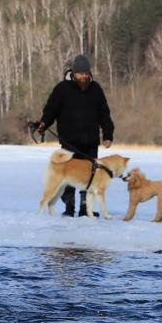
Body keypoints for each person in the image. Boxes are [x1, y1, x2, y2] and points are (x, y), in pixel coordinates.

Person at [36, 54, 116, 217]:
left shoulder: (96, 89)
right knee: (68, 176)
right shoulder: (62, 89)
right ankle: (69, 206)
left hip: (90, 142)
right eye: (81, 73)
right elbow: (51, 109)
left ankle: (86, 209)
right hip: (69, 142)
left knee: (90, 177)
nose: (84, 76)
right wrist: (43, 124)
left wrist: (108, 134)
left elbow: (104, 113)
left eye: (86, 73)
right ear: (74, 73)